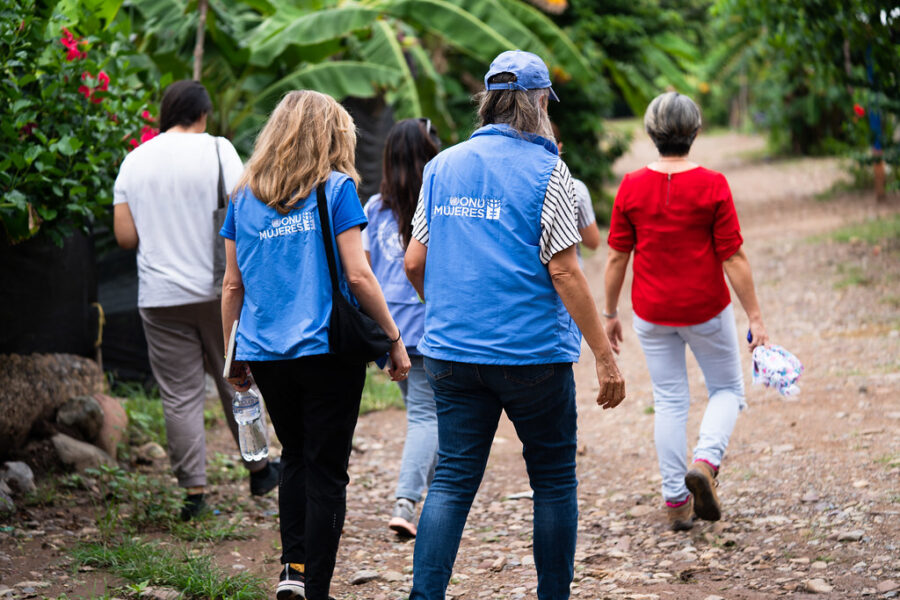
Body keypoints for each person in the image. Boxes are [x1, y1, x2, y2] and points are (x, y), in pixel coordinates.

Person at [404, 50, 626, 600]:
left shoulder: (441, 167)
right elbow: (565, 271)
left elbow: (414, 261)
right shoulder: (550, 172)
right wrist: (604, 355)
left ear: (489, 102)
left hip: (451, 355)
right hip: (532, 358)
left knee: (452, 481)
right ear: (539, 104)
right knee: (552, 481)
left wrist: (453, 308)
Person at [219, 90, 411, 600]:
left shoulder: (243, 196)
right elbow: (359, 275)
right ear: (331, 135)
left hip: (266, 353)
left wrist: (231, 355)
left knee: (296, 458)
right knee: (327, 468)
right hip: (327, 351)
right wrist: (393, 339)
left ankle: (293, 569)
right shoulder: (336, 189)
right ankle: (316, 587)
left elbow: (232, 285)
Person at [113, 79, 279, 521]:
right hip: (218, 288)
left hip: (159, 296)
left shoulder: (134, 161)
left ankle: (195, 495)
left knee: (180, 395)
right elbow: (246, 211)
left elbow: (124, 237)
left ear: (166, 114)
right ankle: (260, 470)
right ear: (202, 114)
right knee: (238, 378)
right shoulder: (219, 150)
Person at [603, 91, 769, 531]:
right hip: (705, 307)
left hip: (652, 311)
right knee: (727, 390)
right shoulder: (712, 184)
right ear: (695, 131)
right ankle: (706, 463)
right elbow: (732, 255)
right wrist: (754, 316)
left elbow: (617, 256)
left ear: (651, 133)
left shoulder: (631, 185)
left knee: (670, 400)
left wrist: (609, 313)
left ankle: (676, 501)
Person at [362, 118, 441, 537]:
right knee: (428, 417)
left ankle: (436, 492)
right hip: (428, 323)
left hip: (389, 326)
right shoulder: (439, 204)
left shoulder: (373, 209)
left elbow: (366, 273)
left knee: (423, 413)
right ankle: (406, 503)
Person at [551, 122, 601, 258]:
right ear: (559, 148)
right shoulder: (576, 189)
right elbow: (592, 241)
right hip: (568, 266)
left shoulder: (513, 188)